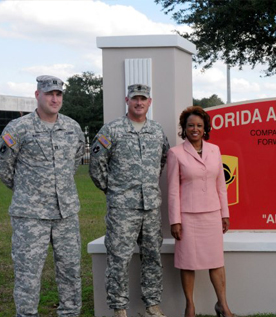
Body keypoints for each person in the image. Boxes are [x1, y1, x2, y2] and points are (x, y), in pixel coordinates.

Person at [0, 75, 85, 316]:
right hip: (30, 216)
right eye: (49, 94)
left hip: (65, 214)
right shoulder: (18, 128)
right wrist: (28, 192)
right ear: (38, 95)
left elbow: (74, 162)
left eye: (58, 94)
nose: (54, 98)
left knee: (70, 271)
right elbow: (4, 168)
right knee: (28, 274)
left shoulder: (72, 127)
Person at [89, 84, 170, 317]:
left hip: (151, 208)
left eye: (143, 99)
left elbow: (162, 161)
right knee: (118, 259)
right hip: (122, 209)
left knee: (153, 257)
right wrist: (113, 190)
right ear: (127, 100)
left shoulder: (156, 131)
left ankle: (153, 305)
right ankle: (119, 308)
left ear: (149, 102)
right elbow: (96, 166)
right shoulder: (111, 130)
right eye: (135, 99)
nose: (139, 103)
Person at [166, 106, 234, 317]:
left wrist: (225, 214)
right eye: (190, 125)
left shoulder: (215, 150)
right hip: (187, 218)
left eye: (199, 125)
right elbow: (173, 190)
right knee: (188, 262)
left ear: (205, 128)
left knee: (216, 262)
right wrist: (175, 221)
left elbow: (221, 185)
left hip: (212, 215)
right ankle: (190, 307)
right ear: (184, 129)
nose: (195, 129)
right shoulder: (175, 153)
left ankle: (222, 305)